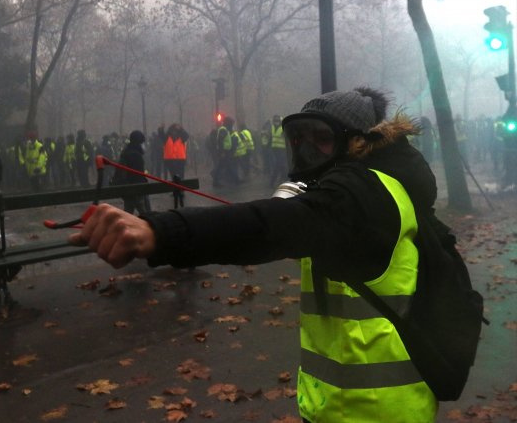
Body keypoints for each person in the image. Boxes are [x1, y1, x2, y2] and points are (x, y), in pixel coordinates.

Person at [69, 87, 439, 423]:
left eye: (323, 139)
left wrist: (158, 231)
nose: (308, 150)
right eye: (299, 138)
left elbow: (267, 226)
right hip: (347, 403)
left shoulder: (361, 196)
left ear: (358, 143)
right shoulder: (370, 187)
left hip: (378, 410)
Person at [114, 130, 150, 214]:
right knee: (145, 212)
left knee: (128, 211)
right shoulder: (135, 155)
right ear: (139, 142)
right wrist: (143, 184)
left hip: (128, 187)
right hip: (136, 188)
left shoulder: (127, 151)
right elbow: (137, 175)